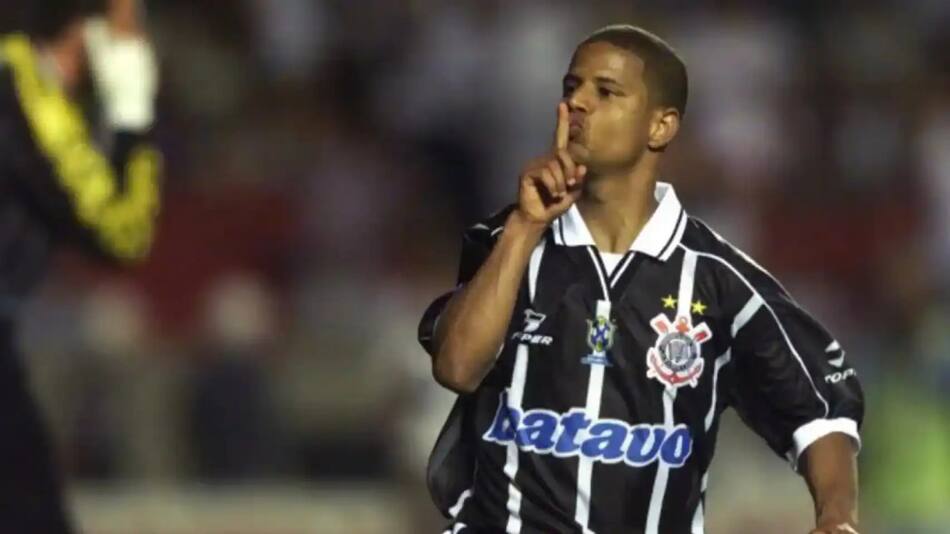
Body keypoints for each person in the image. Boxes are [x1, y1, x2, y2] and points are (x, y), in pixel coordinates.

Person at [419, 25, 863, 534]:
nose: (578, 104)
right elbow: (456, 367)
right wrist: (525, 227)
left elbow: (821, 413)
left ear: (661, 127)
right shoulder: (509, 241)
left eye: (605, 92)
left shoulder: (720, 280)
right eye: (571, 89)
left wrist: (837, 517)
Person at [0, 0, 159, 531]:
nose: (137, 42)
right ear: (87, 31)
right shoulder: (17, 81)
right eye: (127, 27)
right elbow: (118, 230)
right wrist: (131, 110)